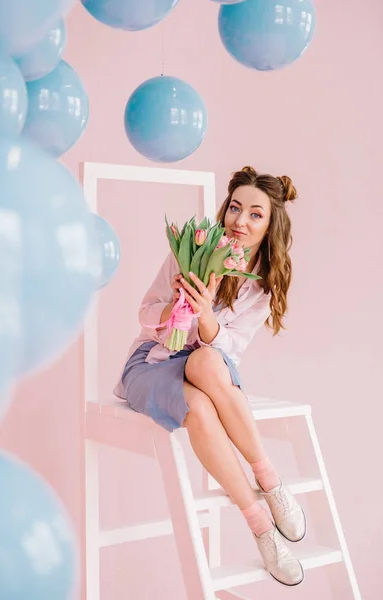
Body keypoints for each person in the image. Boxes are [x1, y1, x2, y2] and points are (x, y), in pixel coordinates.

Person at [114, 166, 305, 587]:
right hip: (153, 362)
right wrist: (176, 308)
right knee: (198, 409)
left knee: (205, 362)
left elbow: (229, 348)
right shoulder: (192, 249)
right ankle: (261, 527)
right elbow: (145, 314)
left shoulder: (262, 284)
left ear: (270, 225)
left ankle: (271, 484)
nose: (240, 221)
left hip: (207, 365)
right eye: (236, 208)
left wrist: (203, 315)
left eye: (256, 214)